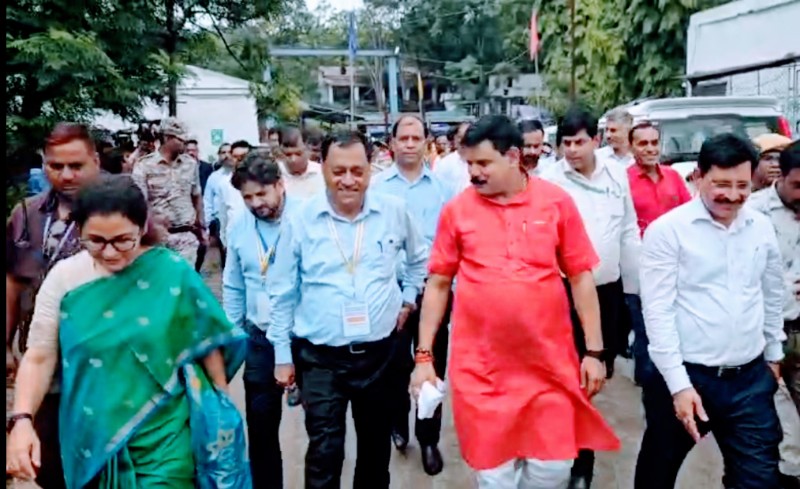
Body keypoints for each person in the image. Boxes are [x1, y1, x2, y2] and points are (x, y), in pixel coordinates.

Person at [410, 115, 619, 489]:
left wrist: (594, 352)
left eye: (483, 163)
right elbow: (438, 284)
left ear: (513, 157)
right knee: (496, 476)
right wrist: (424, 357)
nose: (474, 173)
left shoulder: (555, 202)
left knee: (552, 470)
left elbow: (581, 277)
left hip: (549, 369)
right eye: (469, 164)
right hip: (483, 373)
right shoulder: (458, 211)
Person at [5, 174, 246, 488]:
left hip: (164, 436)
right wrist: (22, 420)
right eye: (95, 241)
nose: (109, 252)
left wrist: (222, 410)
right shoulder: (65, 279)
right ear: (79, 231)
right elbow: (39, 356)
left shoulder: (171, 273)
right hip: (91, 436)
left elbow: (205, 340)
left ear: (142, 228)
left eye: (122, 240)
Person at [268, 130, 428, 489]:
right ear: (322, 167)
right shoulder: (301, 219)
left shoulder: (393, 211)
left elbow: (419, 259)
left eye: (357, 171)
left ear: (370, 168)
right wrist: (282, 355)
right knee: (325, 450)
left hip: (380, 355)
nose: (348, 180)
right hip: (321, 359)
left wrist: (408, 297)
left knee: (375, 450)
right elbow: (281, 291)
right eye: (338, 171)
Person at [640, 133, 785, 489]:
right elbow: (658, 313)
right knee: (658, 470)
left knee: (759, 478)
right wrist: (679, 386)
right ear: (699, 176)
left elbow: (771, 293)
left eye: (742, 186)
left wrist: (773, 353)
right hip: (687, 377)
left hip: (749, 379)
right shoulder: (667, 232)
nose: (732, 196)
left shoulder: (760, 227)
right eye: (721, 184)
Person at [539, 107, 640, 488]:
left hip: (608, 291)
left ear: (596, 141)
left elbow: (628, 228)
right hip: (563, 292)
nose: (572, 150)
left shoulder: (617, 175)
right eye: (566, 143)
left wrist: (637, 285)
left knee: (596, 372)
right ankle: (579, 459)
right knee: (571, 374)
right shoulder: (550, 182)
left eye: (579, 142)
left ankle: (575, 445)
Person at [5, 123, 101, 489]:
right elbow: (12, 282)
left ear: (95, 161)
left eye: (76, 165)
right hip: (41, 360)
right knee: (49, 464)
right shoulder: (26, 214)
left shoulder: (120, 209)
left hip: (100, 365)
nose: (66, 175)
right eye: (56, 166)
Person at [371, 115, 453, 476]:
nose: (408, 144)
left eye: (415, 138)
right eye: (402, 138)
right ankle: (397, 422)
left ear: (426, 142)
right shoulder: (376, 188)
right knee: (393, 366)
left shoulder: (443, 189)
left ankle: (429, 437)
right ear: (391, 143)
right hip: (389, 293)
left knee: (433, 363)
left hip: (434, 291)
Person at [224, 154, 298, 488]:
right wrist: (233, 335)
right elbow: (233, 284)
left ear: (280, 185)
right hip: (260, 339)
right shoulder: (239, 226)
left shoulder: (306, 219)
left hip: (305, 341)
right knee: (261, 427)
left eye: (262, 194)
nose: (256, 203)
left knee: (323, 428)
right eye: (248, 197)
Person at [132, 118, 207, 265]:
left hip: (186, 234)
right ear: (167, 138)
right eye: (180, 140)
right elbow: (139, 202)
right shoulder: (144, 165)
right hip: (158, 237)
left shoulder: (190, 164)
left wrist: (201, 227)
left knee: (183, 277)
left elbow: (196, 196)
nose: (185, 144)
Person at [204, 142, 235, 267]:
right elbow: (208, 201)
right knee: (226, 257)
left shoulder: (242, 175)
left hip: (238, 219)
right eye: (223, 152)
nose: (227, 155)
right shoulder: (214, 177)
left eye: (229, 152)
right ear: (219, 155)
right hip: (220, 221)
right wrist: (207, 227)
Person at [217, 140, 251, 250]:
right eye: (236, 157)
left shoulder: (262, 182)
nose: (240, 160)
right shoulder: (224, 184)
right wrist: (224, 240)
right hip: (234, 240)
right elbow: (223, 215)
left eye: (243, 156)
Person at [278, 127, 325, 199]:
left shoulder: (322, 173)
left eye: (298, 154)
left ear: (308, 150)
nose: (293, 160)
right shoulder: (275, 174)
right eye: (288, 155)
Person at [433, 121, 472, 195]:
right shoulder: (445, 163)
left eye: (467, 136)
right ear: (455, 139)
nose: (463, 140)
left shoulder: (482, 163)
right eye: (460, 137)